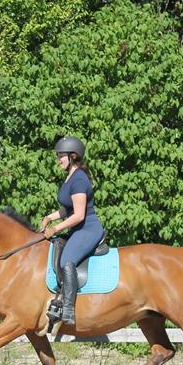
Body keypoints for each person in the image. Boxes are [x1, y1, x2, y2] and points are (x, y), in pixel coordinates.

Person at [38, 136, 103, 327]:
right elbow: (68, 208)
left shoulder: (79, 180)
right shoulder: (70, 178)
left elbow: (79, 215)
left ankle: (68, 310)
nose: (58, 159)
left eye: (61, 156)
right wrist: (50, 217)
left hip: (88, 229)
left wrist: (56, 228)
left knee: (67, 260)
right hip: (77, 228)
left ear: (73, 157)